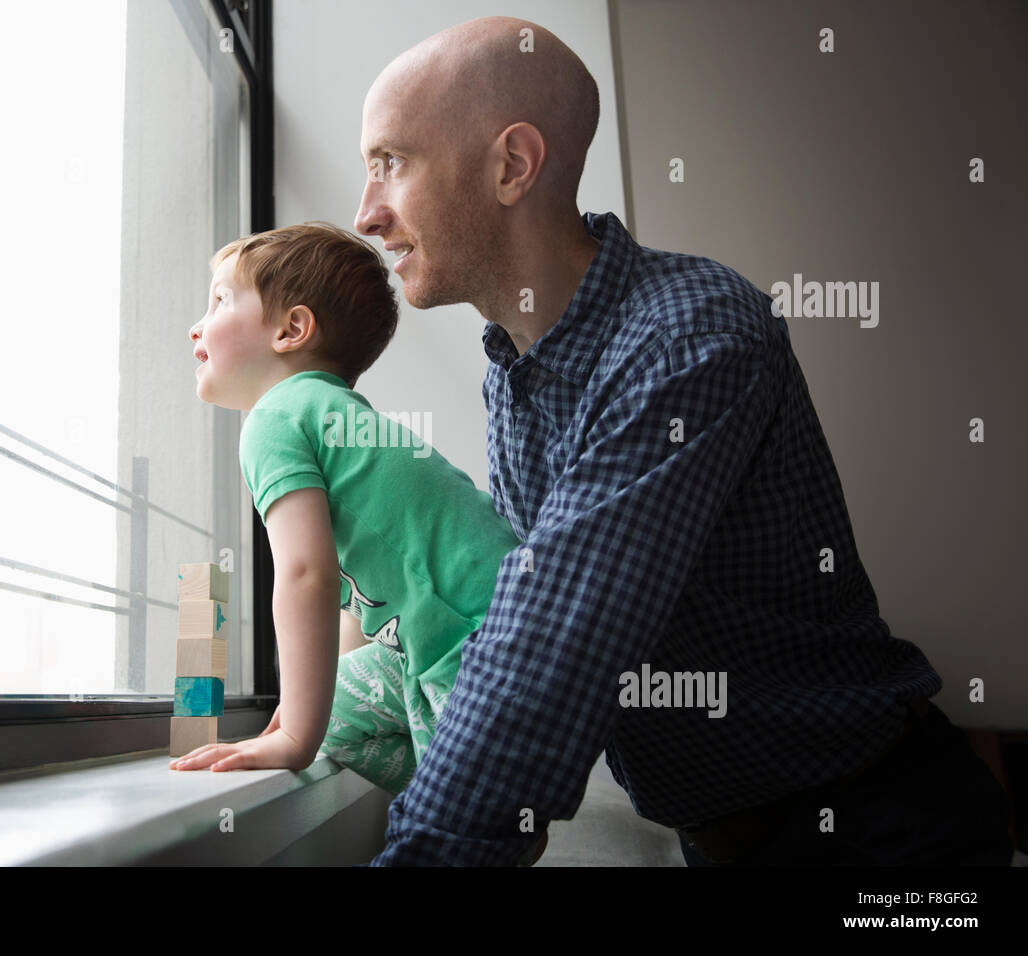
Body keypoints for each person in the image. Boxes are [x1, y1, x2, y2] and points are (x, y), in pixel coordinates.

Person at [352, 15, 1013, 866]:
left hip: (884, 837)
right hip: (727, 841)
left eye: (389, 163)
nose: (366, 213)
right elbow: (522, 603)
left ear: (511, 165)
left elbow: (550, 644)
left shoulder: (689, 333)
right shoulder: (510, 370)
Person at [169, 222, 524, 811]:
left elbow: (308, 573)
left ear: (292, 329)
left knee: (446, 830)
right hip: (503, 631)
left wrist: (294, 735)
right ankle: (482, 806)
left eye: (219, 300)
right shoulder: (337, 418)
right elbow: (357, 606)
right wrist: (312, 707)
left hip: (472, 651)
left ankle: (479, 812)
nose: (195, 325)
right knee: (333, 720)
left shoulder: (274, 419)